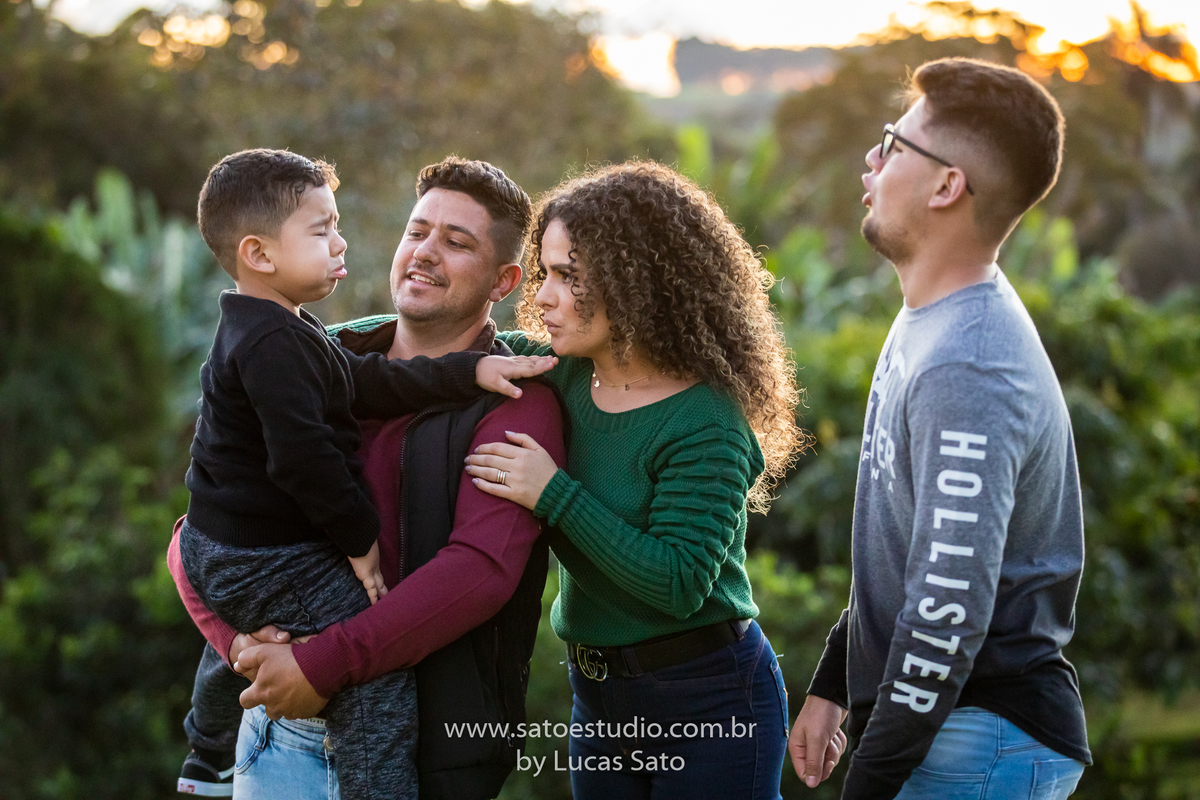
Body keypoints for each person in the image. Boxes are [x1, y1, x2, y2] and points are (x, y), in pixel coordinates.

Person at [170, 155, 566, 800]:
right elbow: (201, 523)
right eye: (418, 232)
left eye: (456, 241)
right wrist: (241, 644)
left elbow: (477, 575)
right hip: (275, 732)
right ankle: (206, 761)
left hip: (424, 751)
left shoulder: (515, 402)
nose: (425, 253)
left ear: (504, 281)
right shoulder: (318, 349)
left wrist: (318, 664)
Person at [787, 57, 1092, 799]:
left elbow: (945, 612)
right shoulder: (936, 315)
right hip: (953, 727)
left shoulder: (970, 362)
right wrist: (837, 675)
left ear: (947, 185)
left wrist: (870, 782)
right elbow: (907, 538)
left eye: (893, 142)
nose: (873, 158)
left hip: (978, 737)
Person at [462, 160, 807, 799]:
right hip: (596, 694)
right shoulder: (560, 372)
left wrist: (553, 493)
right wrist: (303, 341)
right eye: (546, 273)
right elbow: (426, 347)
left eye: (569, 276)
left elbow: (678, 582)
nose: (542, 296)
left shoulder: (706, 418)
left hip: (709, 700)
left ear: (635, 282)